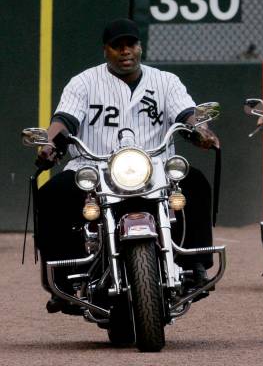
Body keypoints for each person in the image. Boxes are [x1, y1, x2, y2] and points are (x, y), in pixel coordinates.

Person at [37, 18, 219, 313]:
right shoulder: (84, 82)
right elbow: (65, 119)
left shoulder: (165, 81)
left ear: (140, 46)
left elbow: (188, 113)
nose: (125, 52)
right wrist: (49, 143)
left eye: (131, 44)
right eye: (117, 46)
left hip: (155, 166)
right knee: (51, 193)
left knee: (194, 181)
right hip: (94, 165)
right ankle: (65, 279)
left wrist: (203, 130)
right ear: (105, 50)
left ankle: (194, 264)